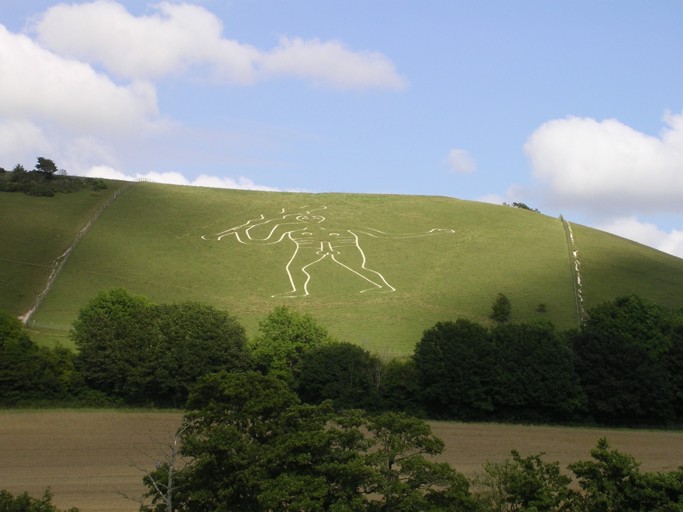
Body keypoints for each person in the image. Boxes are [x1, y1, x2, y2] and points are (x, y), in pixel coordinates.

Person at [202, 206, 454, 298]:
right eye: (303, 216)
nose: (308, 218)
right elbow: (262, 242)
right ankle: (299, 290)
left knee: (360, 268)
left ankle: (382, 287)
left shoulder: (341, 227)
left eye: (312, 216)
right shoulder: (292, 230)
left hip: (342, 247)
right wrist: (242, 230)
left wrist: (429, 233)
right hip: (310, 249)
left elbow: (382, 235)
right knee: (294, 268)